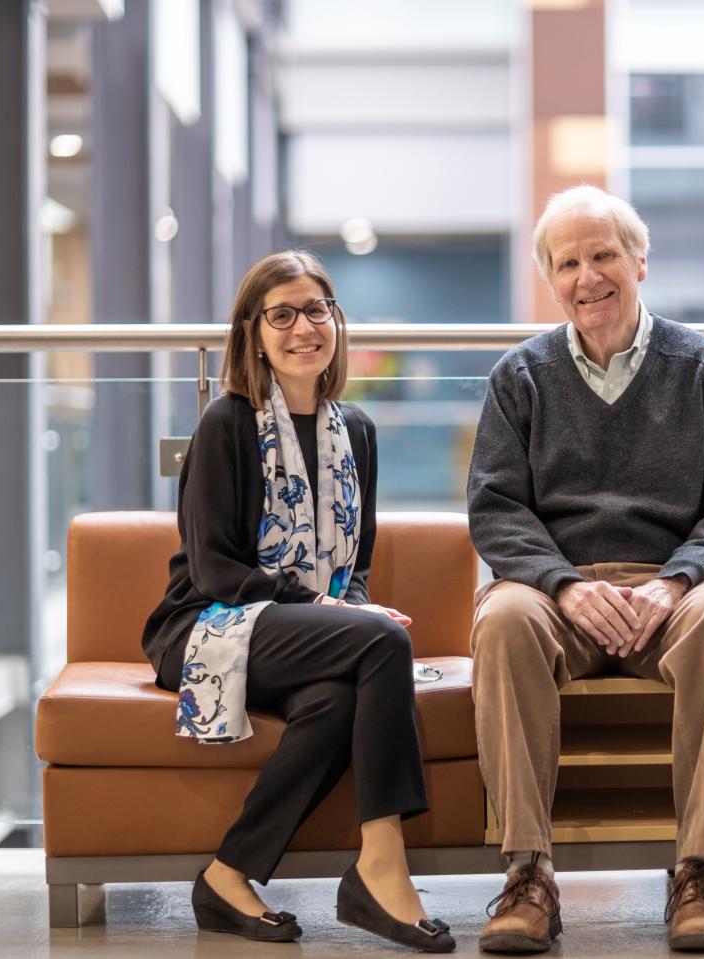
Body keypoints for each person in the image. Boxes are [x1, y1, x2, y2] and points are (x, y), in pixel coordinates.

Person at [467, 186, 704, 953]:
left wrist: (676, 579)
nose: (587, 276)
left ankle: (701, 871)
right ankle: (528, 872)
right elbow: (496, 510)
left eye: (603, 254)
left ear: (639, 261)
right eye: (567, 263)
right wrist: (565, 585)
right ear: (551, 280)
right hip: (555, 592)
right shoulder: (519, 375)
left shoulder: (703, 365)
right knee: (501, 618)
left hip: (672, 589)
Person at [141, 250, 454, 952]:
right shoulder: (226, 423)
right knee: (384, 641)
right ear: (253, 333)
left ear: (336, 321)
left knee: (338, 700)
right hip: (204, 622)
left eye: (316, 310)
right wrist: (338, 613)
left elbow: (355, 569)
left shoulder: (358, 433)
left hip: (292, 626)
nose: (303, 328)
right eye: (280, 315)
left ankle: (226, 875)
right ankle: (381, 864)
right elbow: (215, 569)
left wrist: (348, 607)